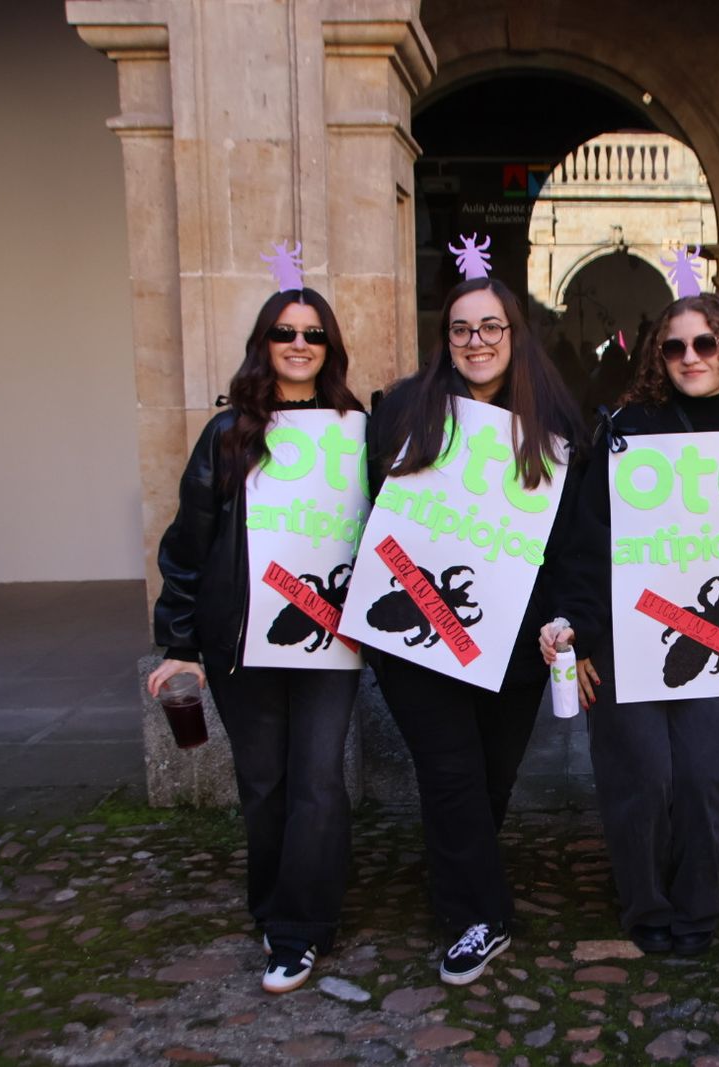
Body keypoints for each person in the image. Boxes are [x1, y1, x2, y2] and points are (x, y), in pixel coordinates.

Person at [541, 293, 719, 956]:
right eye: (676, 345)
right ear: (659, 353)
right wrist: (583, 632)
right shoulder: (628, 426)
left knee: (704, 776)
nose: (690, 357)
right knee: (642, 775)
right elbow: (587, 538)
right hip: (627, 636)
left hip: (710, 641)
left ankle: (700, 904)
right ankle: (646, 901)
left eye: (705, 343)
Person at [368, 276, 585, 985]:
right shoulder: (403, 410)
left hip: (516, 639)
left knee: (489, 778)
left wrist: (561, 619)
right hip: (417, 631)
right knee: (452, 770)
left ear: (514, 335)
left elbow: (571, 541)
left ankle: (454, 878)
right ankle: (478, 916)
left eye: (491, 327)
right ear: (446, 339)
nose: (477, 341)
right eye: (462, 329)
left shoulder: (554, 422)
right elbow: (372, 510)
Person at [150, 287, 365, 994]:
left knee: (318, 780)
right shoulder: (228, 433)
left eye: (312, 334)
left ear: (329, 346)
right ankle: (277, 908)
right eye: (283, 332)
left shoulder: (356, 429)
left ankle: (301, 926)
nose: (299, 343)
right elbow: (188, 545)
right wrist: (179, 643)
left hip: (331, 638)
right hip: (244, 639)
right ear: (263, 342)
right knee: (265, 782)